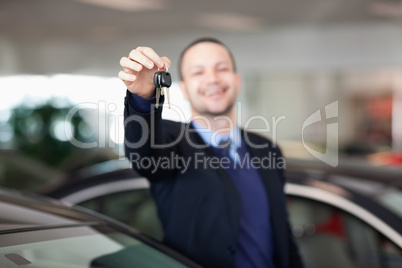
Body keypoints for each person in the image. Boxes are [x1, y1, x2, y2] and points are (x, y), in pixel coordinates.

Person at [119, 37, 304, 268]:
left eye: (222, 69)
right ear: (184, 89)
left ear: (237, 81)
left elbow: (282, 234)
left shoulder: (267, 148)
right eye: (198, 72)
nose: (213, 79)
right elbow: (144, 155)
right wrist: (144, 98)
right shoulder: (169, 139)